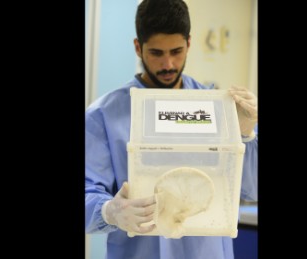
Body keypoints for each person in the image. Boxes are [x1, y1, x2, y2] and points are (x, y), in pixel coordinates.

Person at [85, 0, 258, 258]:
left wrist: (245, 134)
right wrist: (110, 210)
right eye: (156, 53)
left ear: (189, 43)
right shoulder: (103, 116)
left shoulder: (213, 106)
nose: (168, 64)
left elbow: (250, 189)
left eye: (176, 51)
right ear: (137, 47)